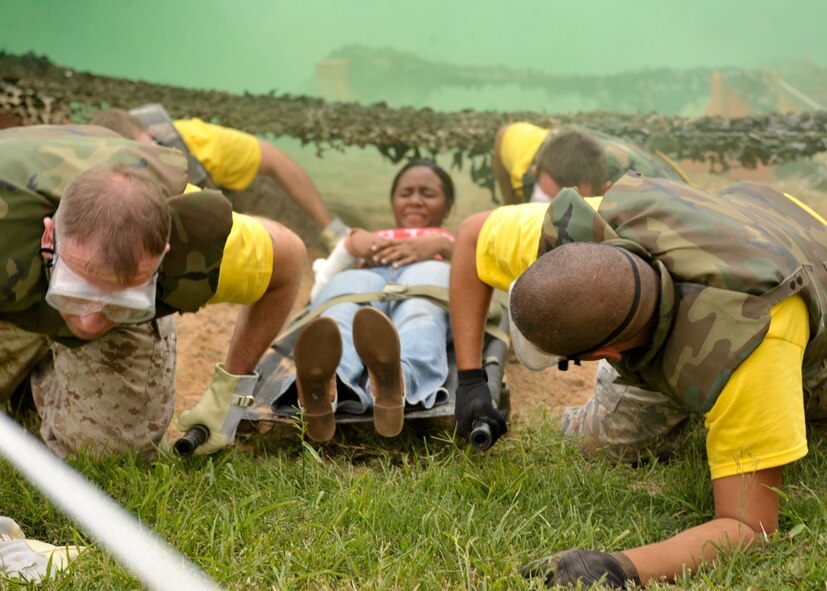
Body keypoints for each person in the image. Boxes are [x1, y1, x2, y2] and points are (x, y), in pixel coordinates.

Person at [453, 172, 827, 587]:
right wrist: (469, 380)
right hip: (743, 219)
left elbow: (750, 526)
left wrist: (618, 566)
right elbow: (472, 236)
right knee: (607, 441)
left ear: (604, 357)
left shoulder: (753, 341)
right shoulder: (581, 233)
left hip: (804, 258)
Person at [0, 124, 305, 580]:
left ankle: (43, 366)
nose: (89, 323)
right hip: (12, 291)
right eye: (77, 291)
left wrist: (230, 394)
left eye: (120, 302)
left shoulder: (192, 240)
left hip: (42, 286)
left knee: (103, 456)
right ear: (49, 238)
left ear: (162, 257)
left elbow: (290, 259)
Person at [278, 160, 456, 442]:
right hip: (365, 277)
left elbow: (480, 282)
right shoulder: (369, 238)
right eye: (406, 193)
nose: (416, 201)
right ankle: (325, 386)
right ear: (393, 202)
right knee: (339, 314)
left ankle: (398, 381)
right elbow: (322, 287)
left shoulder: (453, 242)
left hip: (427, 274)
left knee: (420, 314)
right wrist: (350, 245)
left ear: (448, 208)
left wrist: (446, 247)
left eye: (428, 194)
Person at [89, 108, 347, 251]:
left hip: (243, 202)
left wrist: (330, 228)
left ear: (152, 134)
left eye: (145, 152)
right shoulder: (85, 171)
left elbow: (277, 160)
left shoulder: (196, 143)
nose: (144, 164)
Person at [492, 121, 690, 204]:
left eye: (572, 207)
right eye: (544, 200)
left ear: (603, 191)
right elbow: (503, 134)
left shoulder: (636, 196)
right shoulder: (526, 150)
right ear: (535, 172)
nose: (553, 217)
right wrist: (511, 208)